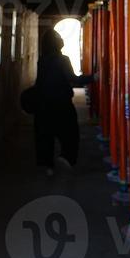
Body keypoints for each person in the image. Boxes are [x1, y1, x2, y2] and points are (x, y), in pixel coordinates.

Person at [30, 28, 90, 175]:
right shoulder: (63, 60)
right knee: (70, 132)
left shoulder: (42, 60)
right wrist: (93, 78)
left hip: (43, 103)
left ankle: (48, 166)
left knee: (45, 134)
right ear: (56, 43)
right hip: (61, 102)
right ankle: (66, 157)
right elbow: (73, 79)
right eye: (58, 37)